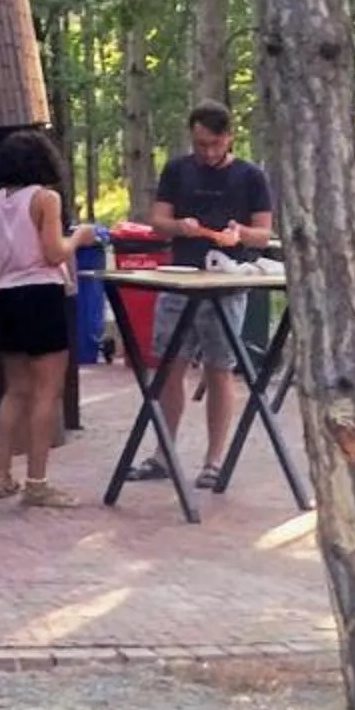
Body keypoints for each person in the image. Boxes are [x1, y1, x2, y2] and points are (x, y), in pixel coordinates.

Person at [138, 101, 275, 488]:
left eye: (215, 144)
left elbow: (264, 233)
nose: (208, 153)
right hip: (179, 278)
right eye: (201, 145)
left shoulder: (251, 176)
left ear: (229, 138)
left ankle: (214, 460)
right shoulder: (177, 170)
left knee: (220, 368)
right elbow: (158, 221)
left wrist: (241, 234)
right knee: (169, 366)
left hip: (227, 282)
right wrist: (179, 226)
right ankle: (162, 453)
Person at [0, 128, 98, 506]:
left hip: (7, 296)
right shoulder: (45, 199)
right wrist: (79, 237)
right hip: (42, 294)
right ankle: (37, 482)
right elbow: (53, 253)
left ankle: (1, 476)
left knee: (15, 389)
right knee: (47, 391)